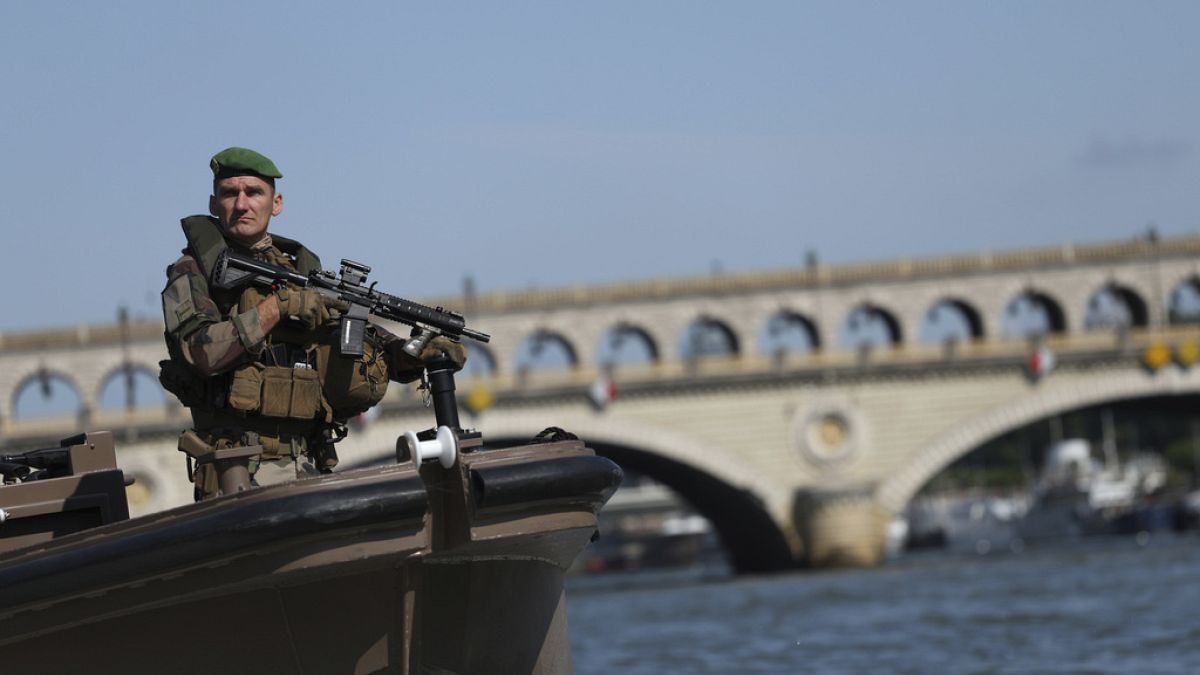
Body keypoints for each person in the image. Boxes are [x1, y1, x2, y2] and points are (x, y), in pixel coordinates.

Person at [160, 147, 465, 500]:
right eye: (230, 193)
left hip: (308, 462)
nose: (242, 204)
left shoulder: (299, 273)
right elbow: (200, 351)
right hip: (237, 469)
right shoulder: (193, 272)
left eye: (254, 193)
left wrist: (415, 352)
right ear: (214, 205)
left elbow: (358, 340)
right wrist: (277, 308)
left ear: (276, 204)